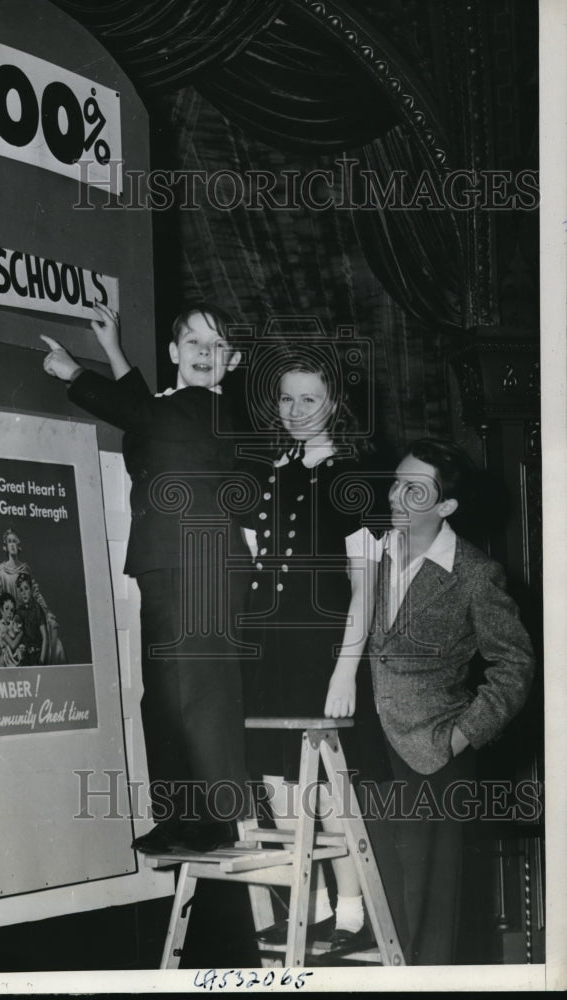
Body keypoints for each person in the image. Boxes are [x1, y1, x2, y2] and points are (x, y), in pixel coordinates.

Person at [41, 302, 252, 852]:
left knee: (200, 694)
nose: (207, 353)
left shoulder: (211, 409)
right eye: (195, 343)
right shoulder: (172, 408)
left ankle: (215, 817)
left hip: (202, 563)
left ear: (230, 361)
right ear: (175, 353)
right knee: (162, 697)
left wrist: (76, 374)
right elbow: (147, 410)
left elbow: (147, 416)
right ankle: (180, 815)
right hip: (167, 563)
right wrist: (114, 351)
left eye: (218, 346)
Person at [367, 438, 535, 964]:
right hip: (365, 746)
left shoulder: (474, 572)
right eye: (396, 481)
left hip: (434, 756)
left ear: (445, 507)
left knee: (427, 916)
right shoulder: (368, 552)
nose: (396, 495)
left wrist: (461, 735)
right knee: (376, 903)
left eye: (414, 489)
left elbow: (516, 665)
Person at [242, 349, 387, 955]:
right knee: (276, 783)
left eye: (309, 398)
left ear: (333, 404)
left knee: (328, 790)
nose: (296, 411)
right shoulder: (271, 470)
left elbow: (368, 581)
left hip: (321, 651)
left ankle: (352, 915)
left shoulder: (352, 475)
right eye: (286, 398)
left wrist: (346, 669)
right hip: (267, 650)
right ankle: (315, 904)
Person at [0, 527, 65, 666]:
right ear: (6, 547)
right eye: (9, 542)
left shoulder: (25, 568)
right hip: (11, 614)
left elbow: (35, 591)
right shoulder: (2, 570)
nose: (12, 544)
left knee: (49, 626)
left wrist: (46, 610)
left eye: (15, 541)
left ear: (18, 546)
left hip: (26, 612)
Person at [0, 592, 26, 668]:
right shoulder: (1, 625)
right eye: (7, 609)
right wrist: (21, 633)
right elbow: (12, 645)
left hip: (14, 656)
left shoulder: (11, 623)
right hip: (7, 659)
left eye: (12, 610)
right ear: (1, 611)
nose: (9, 612)